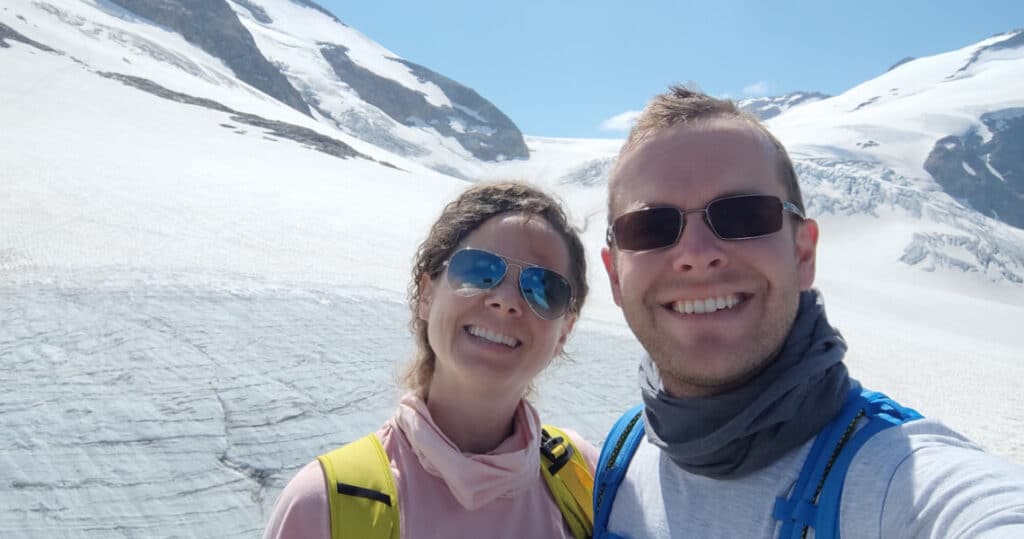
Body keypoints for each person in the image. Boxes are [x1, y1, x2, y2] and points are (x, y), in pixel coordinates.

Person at [595, 86, 1024, 538]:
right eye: (650, 227)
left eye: (744, 216)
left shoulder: (895, 478)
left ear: (803, 254)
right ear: (615, 277)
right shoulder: (620, 456)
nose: (697, 254)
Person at [264, 181, 597, 539]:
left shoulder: (588, 480)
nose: (505, 300)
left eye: (544, 288)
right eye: (477, 270)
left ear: (565, 331)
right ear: (426, 294)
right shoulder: (324, 506)